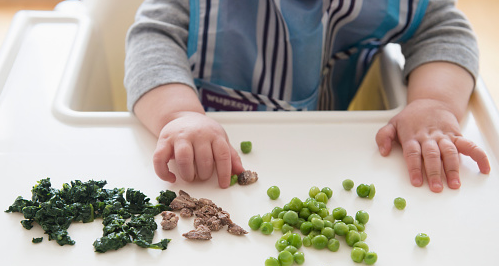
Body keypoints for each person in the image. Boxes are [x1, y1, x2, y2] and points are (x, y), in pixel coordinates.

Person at [124, 0, 490, 192]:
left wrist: (434, 103)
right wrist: (178, 114)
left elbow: (442, 29)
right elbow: (153, 39)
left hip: (321, 152)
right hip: (207, 153)